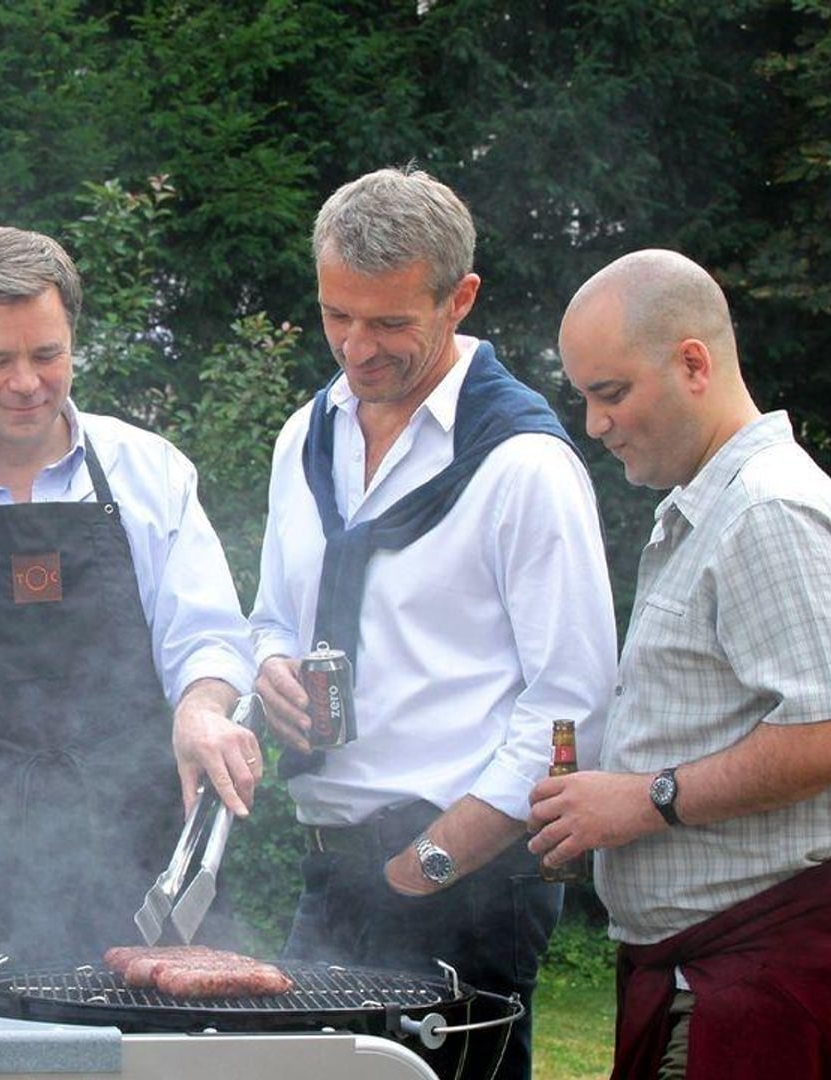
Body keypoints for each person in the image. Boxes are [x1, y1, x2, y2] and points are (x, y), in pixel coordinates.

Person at [529, 249, 831, 1080]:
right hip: (731, 968)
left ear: (693, 362)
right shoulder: (712, 507)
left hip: (783, 974)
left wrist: (646, 801)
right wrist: (602, 805)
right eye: (585, 397)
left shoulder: (769, 512)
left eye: (612, 392)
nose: (594, 424)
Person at [248, 166, 616, 1080]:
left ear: (460, 299)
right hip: (330, 864)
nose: (355, 349)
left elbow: (574, 705)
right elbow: (268, 617)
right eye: (338, 314)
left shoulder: (526, 463)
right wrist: (270, 669)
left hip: (467, 877)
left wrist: (435, 862)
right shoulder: (306, 435)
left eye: (389, 323)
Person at [0, 226, 261, 975]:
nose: (26, 383)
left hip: (141, 866)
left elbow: (208, 638)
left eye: (47, 355)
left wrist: (200, 711)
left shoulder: (150, 473)